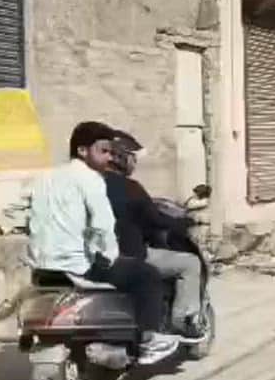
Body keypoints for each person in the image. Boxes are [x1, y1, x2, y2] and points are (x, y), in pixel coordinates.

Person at [26, 122, 179, 363]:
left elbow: (18, 210)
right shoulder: (92, 180)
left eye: (110, 152)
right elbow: (103, 226)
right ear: (82, 151)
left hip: (42, 265)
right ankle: (150, 339)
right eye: (104, 151)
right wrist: (110, 257)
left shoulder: (44, 177)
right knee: (146, 274)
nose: (109, 157)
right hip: (78, 265)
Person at [104, 132, 204, 336]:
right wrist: (184, 222)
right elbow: (156, 220)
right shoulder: (130, 188)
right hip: (130, 257)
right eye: (132, 157)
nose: (134, 163)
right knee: (190, 263)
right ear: (121, 157)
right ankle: (181, 321)